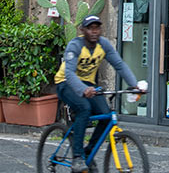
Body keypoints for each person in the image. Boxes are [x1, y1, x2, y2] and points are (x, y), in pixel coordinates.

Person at [54, 15, 145, 173]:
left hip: (88, 84)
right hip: (66, 83)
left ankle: (87, 152)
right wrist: (83, 90)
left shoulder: (103, 45)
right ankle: (77, 156)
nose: (94, 31)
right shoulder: (75, 46)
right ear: (83, 30)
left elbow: (119, 65)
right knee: (84, 108)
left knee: (106, 115)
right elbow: (69, 73)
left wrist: (134, 85)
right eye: (90, 28)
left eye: (97, 28)